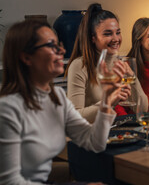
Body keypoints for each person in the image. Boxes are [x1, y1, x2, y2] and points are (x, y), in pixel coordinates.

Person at [0, 20, 117, 184]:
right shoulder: (8, 109)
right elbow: (10, 182)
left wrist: (106, 100)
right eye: (51, 46)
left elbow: (94, 142)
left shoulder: (56, 97)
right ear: (26, 57)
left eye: (59, 45)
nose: (62, 51)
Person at [65, 3, 148, 123]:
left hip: (117, 132)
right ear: (93, 38)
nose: (116, 39)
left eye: (118, 32)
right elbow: (74, 117)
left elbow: (142, 109)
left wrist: (133, 79)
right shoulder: (79, 65)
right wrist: (108, 102)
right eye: (108, 34)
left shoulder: (120, 63)